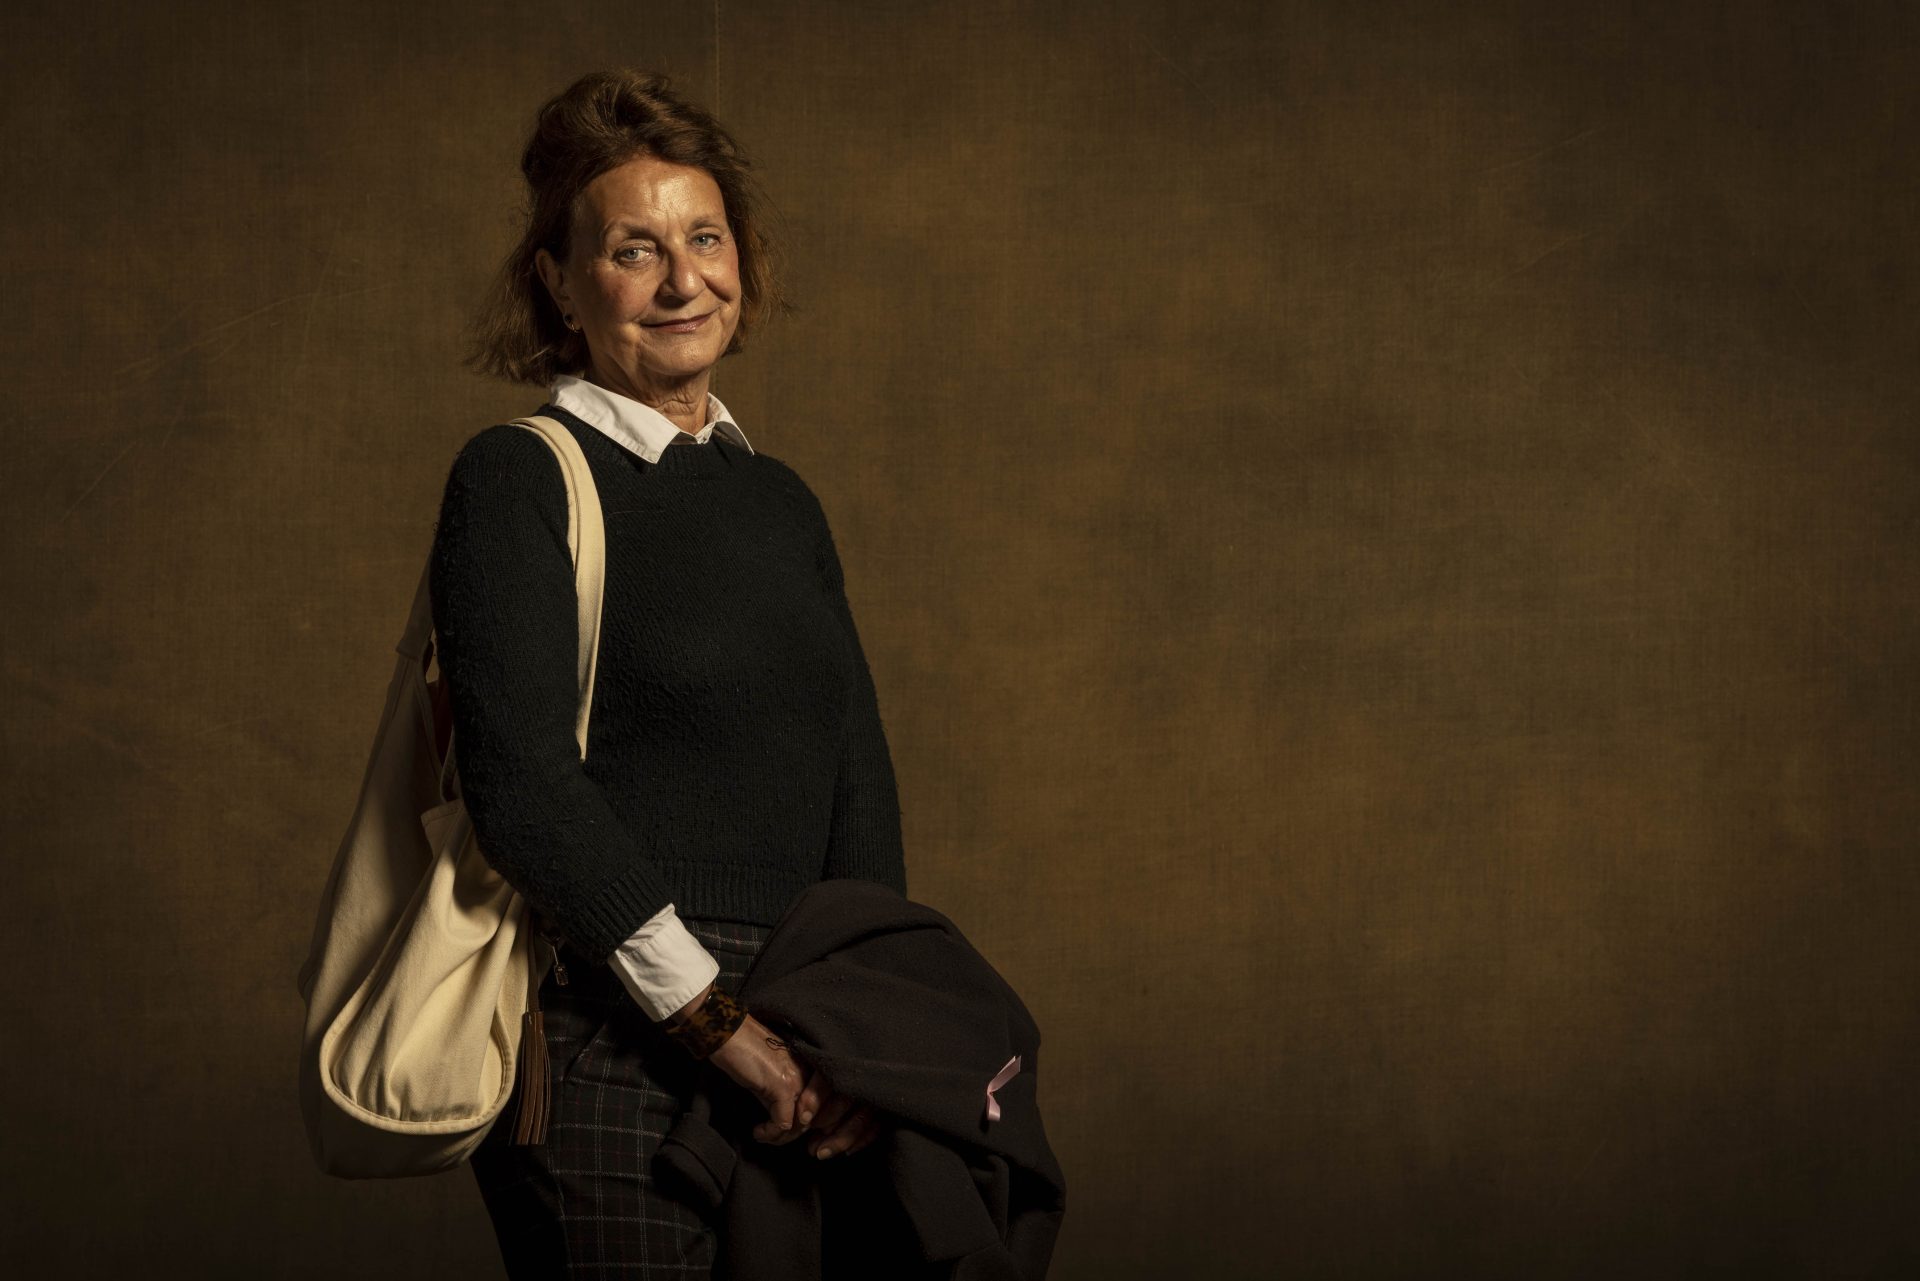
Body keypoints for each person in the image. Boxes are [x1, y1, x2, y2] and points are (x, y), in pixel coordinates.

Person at [428, 68, 908, 1277]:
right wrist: (712, 1024)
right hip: (607, 1038)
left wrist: (858, 1031)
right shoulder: (518, 479)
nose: (684, 280)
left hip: (799, 1047)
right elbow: (522, 787)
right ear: (559, 282)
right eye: (635, 250)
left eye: (705, 238)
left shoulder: (782, 503)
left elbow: (856, 778)